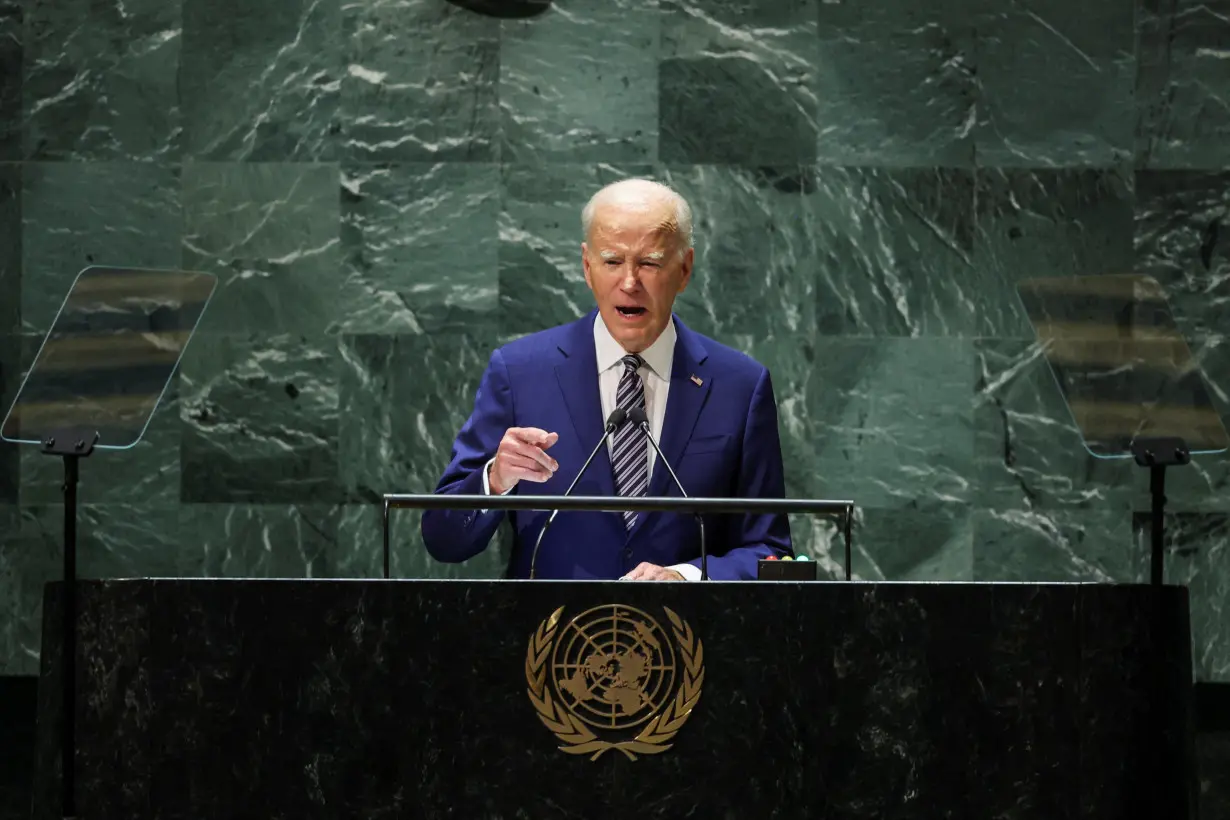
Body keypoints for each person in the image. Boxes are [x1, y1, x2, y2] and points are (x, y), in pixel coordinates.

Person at [421, 178, 792, 580]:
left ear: (684, 269)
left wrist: (686, 576)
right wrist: (494, 480)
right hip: (552, 637)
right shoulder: (520, 372)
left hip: (685, 637)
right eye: (613, 261)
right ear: (587, 267)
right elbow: (443, 540)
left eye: (649, 263)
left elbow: (770, 551)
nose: (629, 282)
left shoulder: (739, 385)